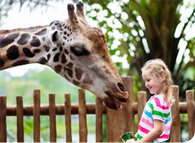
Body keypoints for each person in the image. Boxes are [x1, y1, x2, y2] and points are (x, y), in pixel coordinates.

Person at [126, 59, 174, 143]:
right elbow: (151, 123)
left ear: (162, 76)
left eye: (148, 80)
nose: (146, 84)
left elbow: (158, 130)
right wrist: (141, 134)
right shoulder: (156, 99)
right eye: (145, 81)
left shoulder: (159, 102)